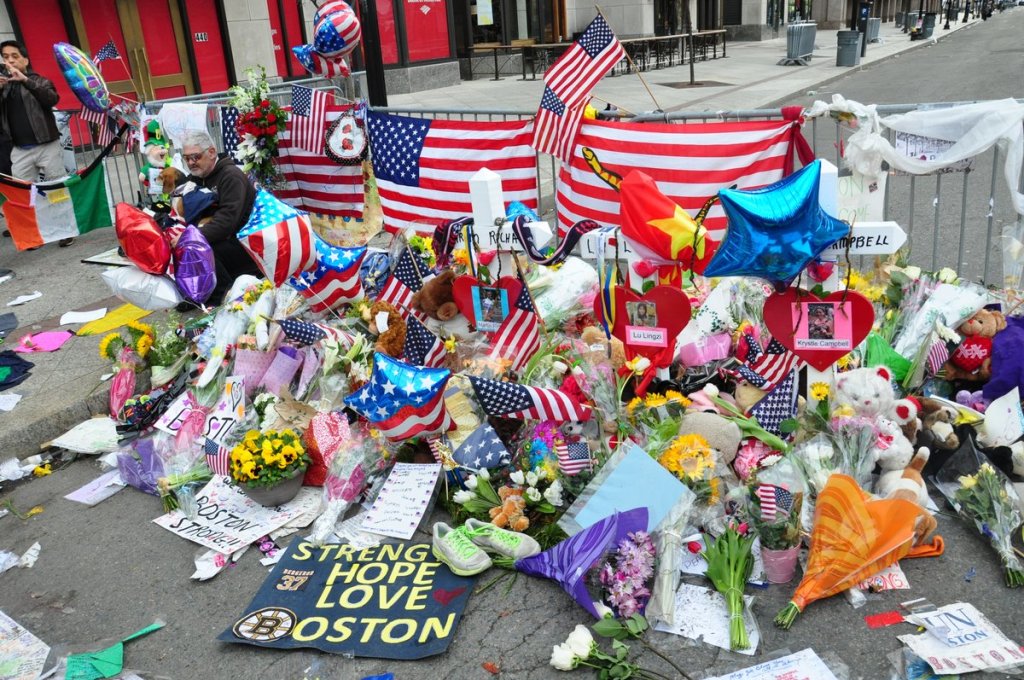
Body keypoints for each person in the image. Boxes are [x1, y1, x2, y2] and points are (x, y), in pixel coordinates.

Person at [0, 40, 73, 247]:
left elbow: (51, 99)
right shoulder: (4, 86)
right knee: (22, 195)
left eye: (15, 56)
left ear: (25, 60)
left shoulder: (39, 80)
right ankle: (32, 235)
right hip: (19, 149)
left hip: (47, 145)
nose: (10, 61)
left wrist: (25, 80)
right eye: (5, 57)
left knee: (56, 189)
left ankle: (65, 230)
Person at [178, 129, 261, 308]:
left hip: (245, 243)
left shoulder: (231, 176)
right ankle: (195, 291)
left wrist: (190, 238)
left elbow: (226, 223)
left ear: (212, 152)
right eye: (187, 158)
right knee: (179, 242)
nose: (191, 163)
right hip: (224, 239)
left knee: (198, 247)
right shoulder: (196, 178)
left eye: (196, 157)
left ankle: (221, 297)